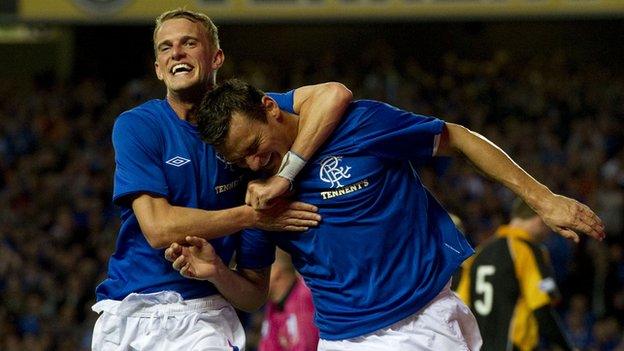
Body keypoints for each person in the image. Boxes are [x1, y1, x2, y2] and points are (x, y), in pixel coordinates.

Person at [166, 79, 605, 350]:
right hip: (338, 340)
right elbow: (254, 295)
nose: (256, 164)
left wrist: (543, 199)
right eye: (242, 160)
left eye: (256, 147)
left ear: (269, 107)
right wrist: (217, 273)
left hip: (420, 323)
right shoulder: (259, 198)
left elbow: (461, 139)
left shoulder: (359, 125)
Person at [91, 9, 352, 351]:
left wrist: (217, 270)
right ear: (158, 68)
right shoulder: (138, 125)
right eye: (165, 48)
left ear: (216, 57)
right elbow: (158, 228)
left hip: (203, 319)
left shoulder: (252, 122)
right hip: (127, 312)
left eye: (188, 43)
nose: (176, 53)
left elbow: (253, 295)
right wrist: (254, 216)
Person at [456, 198, 576, 351]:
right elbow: (541, 309)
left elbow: (462, 306)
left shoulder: (478, 253)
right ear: (540, 219)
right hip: (514, 346)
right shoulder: (526, 250)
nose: (549, 232)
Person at [257, 248, 319, 351]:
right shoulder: (273, 304)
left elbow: (307, 347)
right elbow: (267, 347)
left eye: (258, 269)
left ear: (276, 273)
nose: (251, 276)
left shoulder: (305, 296)